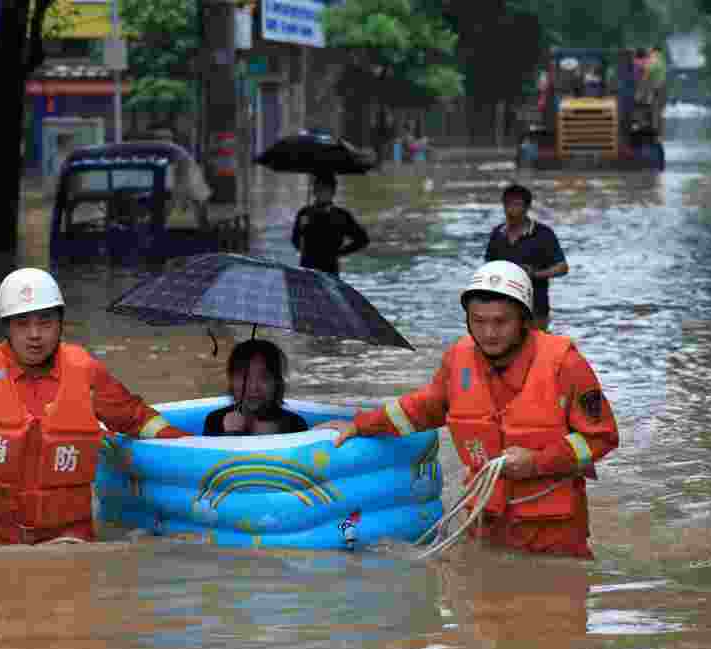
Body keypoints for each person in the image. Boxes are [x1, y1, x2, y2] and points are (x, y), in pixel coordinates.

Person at [319, 261, 619, 559]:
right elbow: (421, 409)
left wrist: (537, 462)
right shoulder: (458, 359)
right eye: (479, 321)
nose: (489, 333)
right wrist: (360, 425)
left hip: (554, 535)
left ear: (524, 320)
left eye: (501, 322)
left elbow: (602, 437)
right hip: (485, 524)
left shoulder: (566, 364)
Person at [0, 267, 190, 545]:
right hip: (0, 539)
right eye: (22, 323)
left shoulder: (86, 372)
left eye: (45, 322)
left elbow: (135, 417)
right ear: (7, 328)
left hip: (70, 537)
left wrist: (187, 443)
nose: (35, 334)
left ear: (61, 324)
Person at [484, 183, 568, 330]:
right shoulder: (497, 234)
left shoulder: (543, 234)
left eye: (517, 204)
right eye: (508, 204)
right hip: (503, 308)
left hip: (535, 308)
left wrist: (535, 274)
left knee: (536, 348)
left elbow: (562, 268)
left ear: (527, 207)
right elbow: (489, 267)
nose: (511, 209)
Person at [203, 339, 308, 436]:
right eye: (245, 376)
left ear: (277, 383)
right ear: (231, 380)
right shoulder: (215, 421)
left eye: (264, 377)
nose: (253, 387)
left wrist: (271, 440)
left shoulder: (295, 425)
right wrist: (232, 434)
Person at [291, 173, 370, 277]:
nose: (323, 193)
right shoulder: (304, 214)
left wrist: (339, 253)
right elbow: (295, 240)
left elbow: (362, 239)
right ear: (314, 191)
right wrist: (301, 229)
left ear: (333, 192)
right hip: (307, 269)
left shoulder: (341, 216)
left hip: (330, 271)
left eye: (326, 190)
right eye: (319, 189)